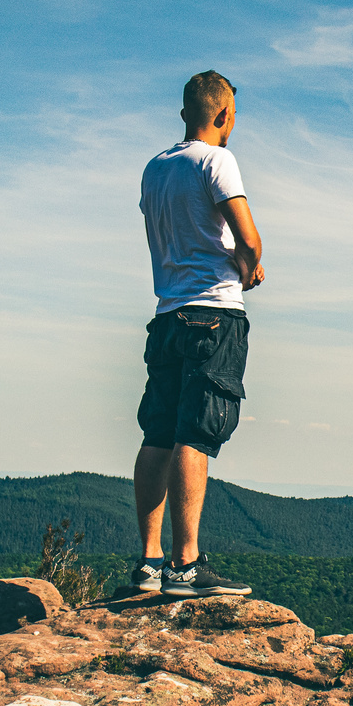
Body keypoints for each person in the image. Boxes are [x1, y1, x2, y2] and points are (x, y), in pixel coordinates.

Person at [128, 71, 263, 597]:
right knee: (196, 434)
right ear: (224, 115)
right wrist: (247, 268)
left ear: (185, 111)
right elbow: (248, 236)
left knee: (157, 433)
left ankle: (149, 563)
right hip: (214, 313)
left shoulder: (155, 168)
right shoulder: (217, 160)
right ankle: (186, 567)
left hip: (166, 315)